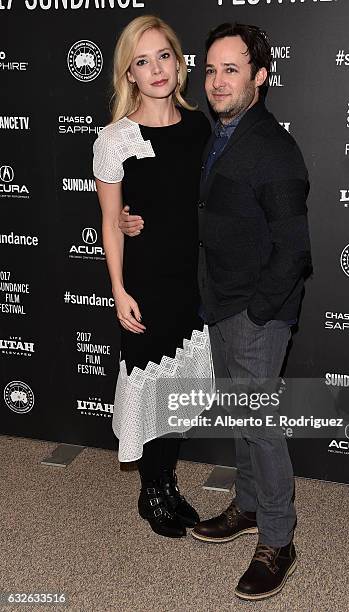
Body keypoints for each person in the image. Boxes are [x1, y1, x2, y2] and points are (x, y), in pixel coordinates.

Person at [119, 21, 312, 601]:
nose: (218, 81)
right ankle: (248, 507)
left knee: (260, 426)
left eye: (232, 70)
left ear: (261, 76)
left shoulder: (273, 148)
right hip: (219, 300)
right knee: (241, 418)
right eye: (211, 69)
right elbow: (188, 203)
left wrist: (256, 314)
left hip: (255, 309)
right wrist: (136, 220)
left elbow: (295, 250)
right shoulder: (216, 133)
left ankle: (278, 538)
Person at [92, 15, 213, 540]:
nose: (156, 68)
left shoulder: (200, 127)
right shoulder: (115, 139)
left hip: (191, 280)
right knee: (149, 383)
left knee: (178, 387)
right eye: (142, 61)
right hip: (143, 282)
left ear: (179, 62)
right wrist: (118, 289)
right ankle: (151, 491)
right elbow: (110, 221)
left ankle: (168, 482)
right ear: (130, 75)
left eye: (163, 55)